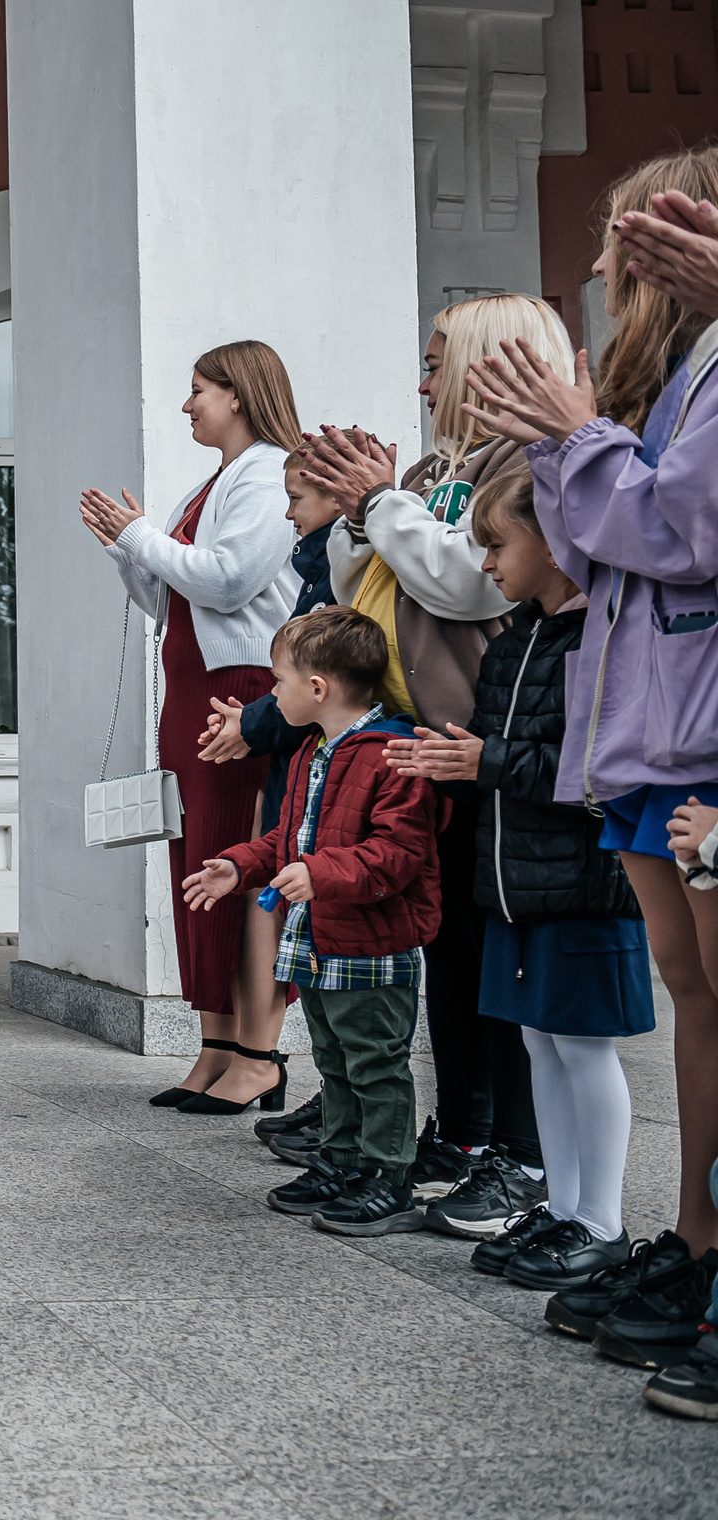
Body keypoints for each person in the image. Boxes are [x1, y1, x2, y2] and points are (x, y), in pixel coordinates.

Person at [465, 144, 718, 1382]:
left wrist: (580, 439)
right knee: (696, 1000)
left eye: (631, 245)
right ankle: (695, 1240)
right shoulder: (665, 383)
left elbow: (679, 531)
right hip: (646, 736)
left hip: (693, 731)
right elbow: (595, 544)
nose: (610, 273)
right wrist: (561, 442)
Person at [301, 296, 576, 1206]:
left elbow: (466, 585)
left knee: (490, 954)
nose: (423, 386)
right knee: (446, 952)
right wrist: (361, 515)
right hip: (417, 745)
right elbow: (369, 579)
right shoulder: (429, 471)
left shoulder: (526, 463)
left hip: (479, 744)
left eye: (435, 364)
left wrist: (382, 504)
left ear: (487, 363)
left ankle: (515, 1150)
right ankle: (461, 1129)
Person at [389, 465, 651, 1267]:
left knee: (582, 1047)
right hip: (515, 886)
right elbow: (504, 758)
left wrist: (487, 761)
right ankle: (560, 1209)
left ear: (558, 542)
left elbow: (602, 770)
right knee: (541, 1043)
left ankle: (600, 1225)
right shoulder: (514, 640)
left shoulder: (604, 635)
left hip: (582, 885)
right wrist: (456, 764)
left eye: (498, 545)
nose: (487, 563)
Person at [82, 342, 302, 1111]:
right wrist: (128, 550)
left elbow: (230, 581)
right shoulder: (211, 484)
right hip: (192, 694)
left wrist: (143, 537)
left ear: (238, 394)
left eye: (199, 389)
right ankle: (215, 1046)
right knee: (197, 865)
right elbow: (171, 598)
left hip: (237, 693)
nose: (187, 404)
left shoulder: (269, 474)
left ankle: (257, 1057)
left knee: (235, 862)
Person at [187, 608, 441, 1237]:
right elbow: (287, 839)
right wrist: (239, 866)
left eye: (279, 682)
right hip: (319, 943)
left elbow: (398, 854)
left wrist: (320, 874)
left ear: (318, 687)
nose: (273, 695)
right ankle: (342, 1163)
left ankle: (388, 1179)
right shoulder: (311, 752)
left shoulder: (391, 755)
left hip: (371, 950)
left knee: (375, 1065)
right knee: (334, 1060)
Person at [196, 444, 340, 1155]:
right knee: (274, 902)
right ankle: (271, 1064)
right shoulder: (319, 564)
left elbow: (328, 676)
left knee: (300, 916)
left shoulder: (343, 565)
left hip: (318, 758)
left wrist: (254, 722)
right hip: (297, 754)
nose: (287, 515)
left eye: (297, 500)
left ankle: (265, 1058)